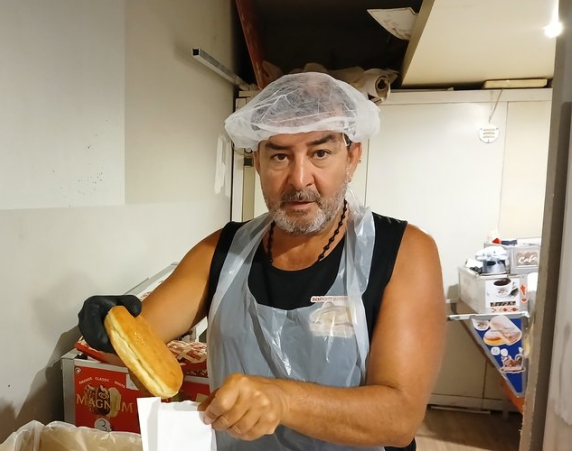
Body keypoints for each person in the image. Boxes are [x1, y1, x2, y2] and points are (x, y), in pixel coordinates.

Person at [78, 72, 446, 451]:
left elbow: (399, 416)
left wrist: (282, 400)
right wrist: (108, 326)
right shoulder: (223, 252)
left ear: (352, 158)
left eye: (320, 153)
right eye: (280, 156)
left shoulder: (401, 252)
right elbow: (138, 345)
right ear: (258, 161)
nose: (299, 178)